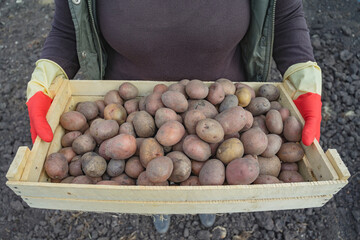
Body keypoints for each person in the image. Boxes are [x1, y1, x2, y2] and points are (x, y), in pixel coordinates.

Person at [26, 0, 322, 234]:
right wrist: (47, 79)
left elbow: (284, 16)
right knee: (155, 173)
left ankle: (209, 199)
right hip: (134, 102)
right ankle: (160, 204)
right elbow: (68, 29)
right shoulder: (126, 130)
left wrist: (302, 78)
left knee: (213, 172)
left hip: (225, 103)